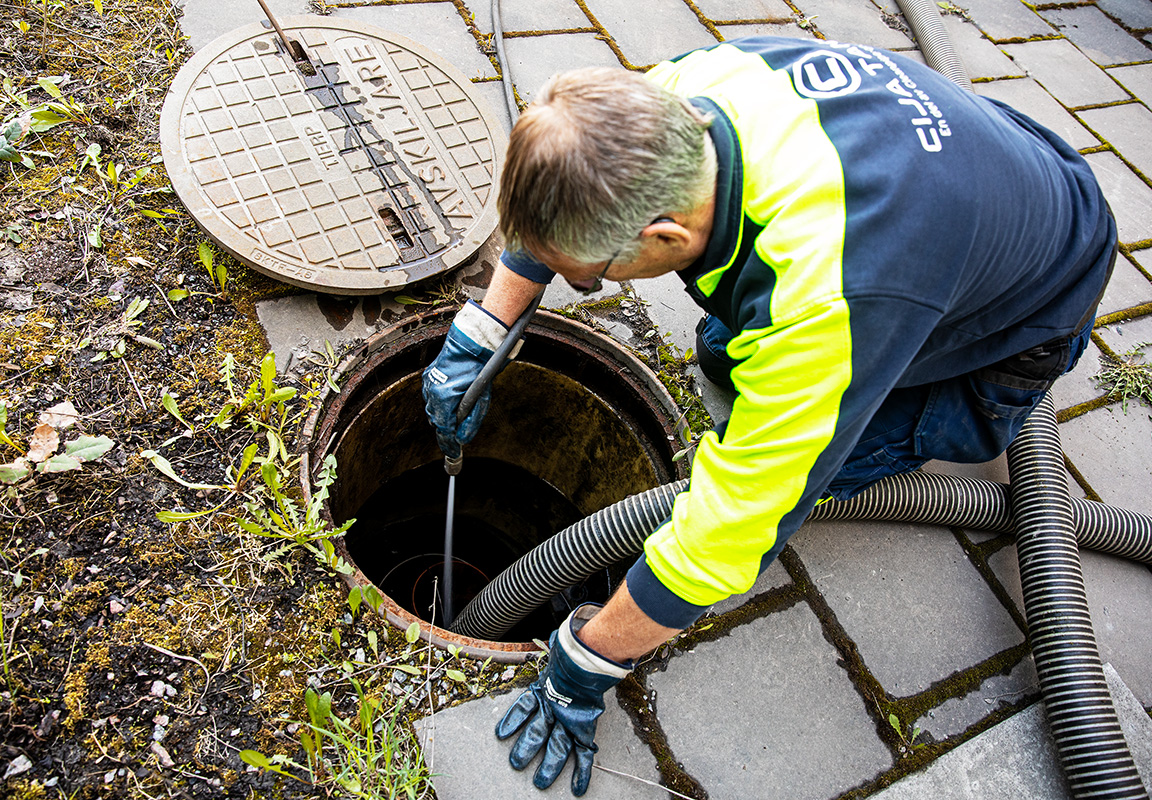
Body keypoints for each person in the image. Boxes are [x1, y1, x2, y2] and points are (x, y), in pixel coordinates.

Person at [422, 37, 1115, 796]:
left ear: (663, 238)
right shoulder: (673, 99)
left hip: (1023, 313)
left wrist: (583, 664)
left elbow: (728, 533)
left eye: (592, 276)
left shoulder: (822, 299)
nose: (582, 281)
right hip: (979, 189)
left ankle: (962, 405)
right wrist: (480, 335)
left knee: (816, 468)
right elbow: (555, 205)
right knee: (728, 352)